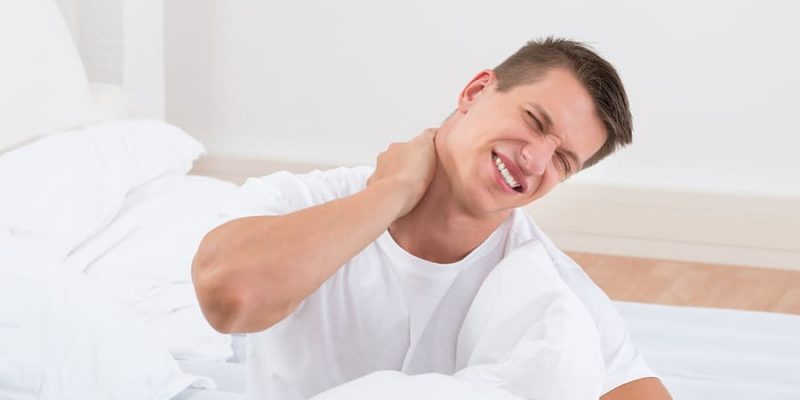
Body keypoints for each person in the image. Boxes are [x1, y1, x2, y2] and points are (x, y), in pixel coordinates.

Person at [192, 37, 673, 399]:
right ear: (476, 90)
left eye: (563, 160)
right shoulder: (304, 201)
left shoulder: (552, 290)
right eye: (534, 120)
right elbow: (229, 300)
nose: (535, 160)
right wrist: (392, 192)